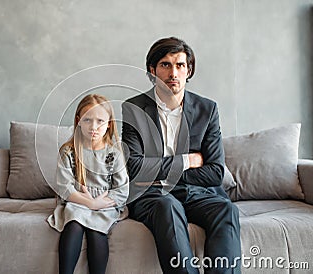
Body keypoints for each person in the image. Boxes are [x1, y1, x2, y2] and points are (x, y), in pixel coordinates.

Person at [121, 37, 241, 273]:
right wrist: (186, 161)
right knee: (167, 205)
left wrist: (160, 171)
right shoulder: (133, 108)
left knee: (227, 209)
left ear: (189, 70)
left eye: (180, 65)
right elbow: (134, 167)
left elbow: (216, 172)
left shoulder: (207, 109)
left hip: (196, 193)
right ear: (152, 70)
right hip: (152, 195)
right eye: (165, 65)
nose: (173, 73)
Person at [47, 94, 129, 274]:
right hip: (77, 202)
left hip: (105, 204)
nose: (93, 127)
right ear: (78, 121)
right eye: (87, 120)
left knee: (97, 230)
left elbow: (122, 190)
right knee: (74, 224)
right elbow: (63, 185)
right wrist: (90, 203)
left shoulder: (114, 154)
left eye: (100, 121)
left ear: (109, 124)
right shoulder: (69, 151)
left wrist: (100, 204)